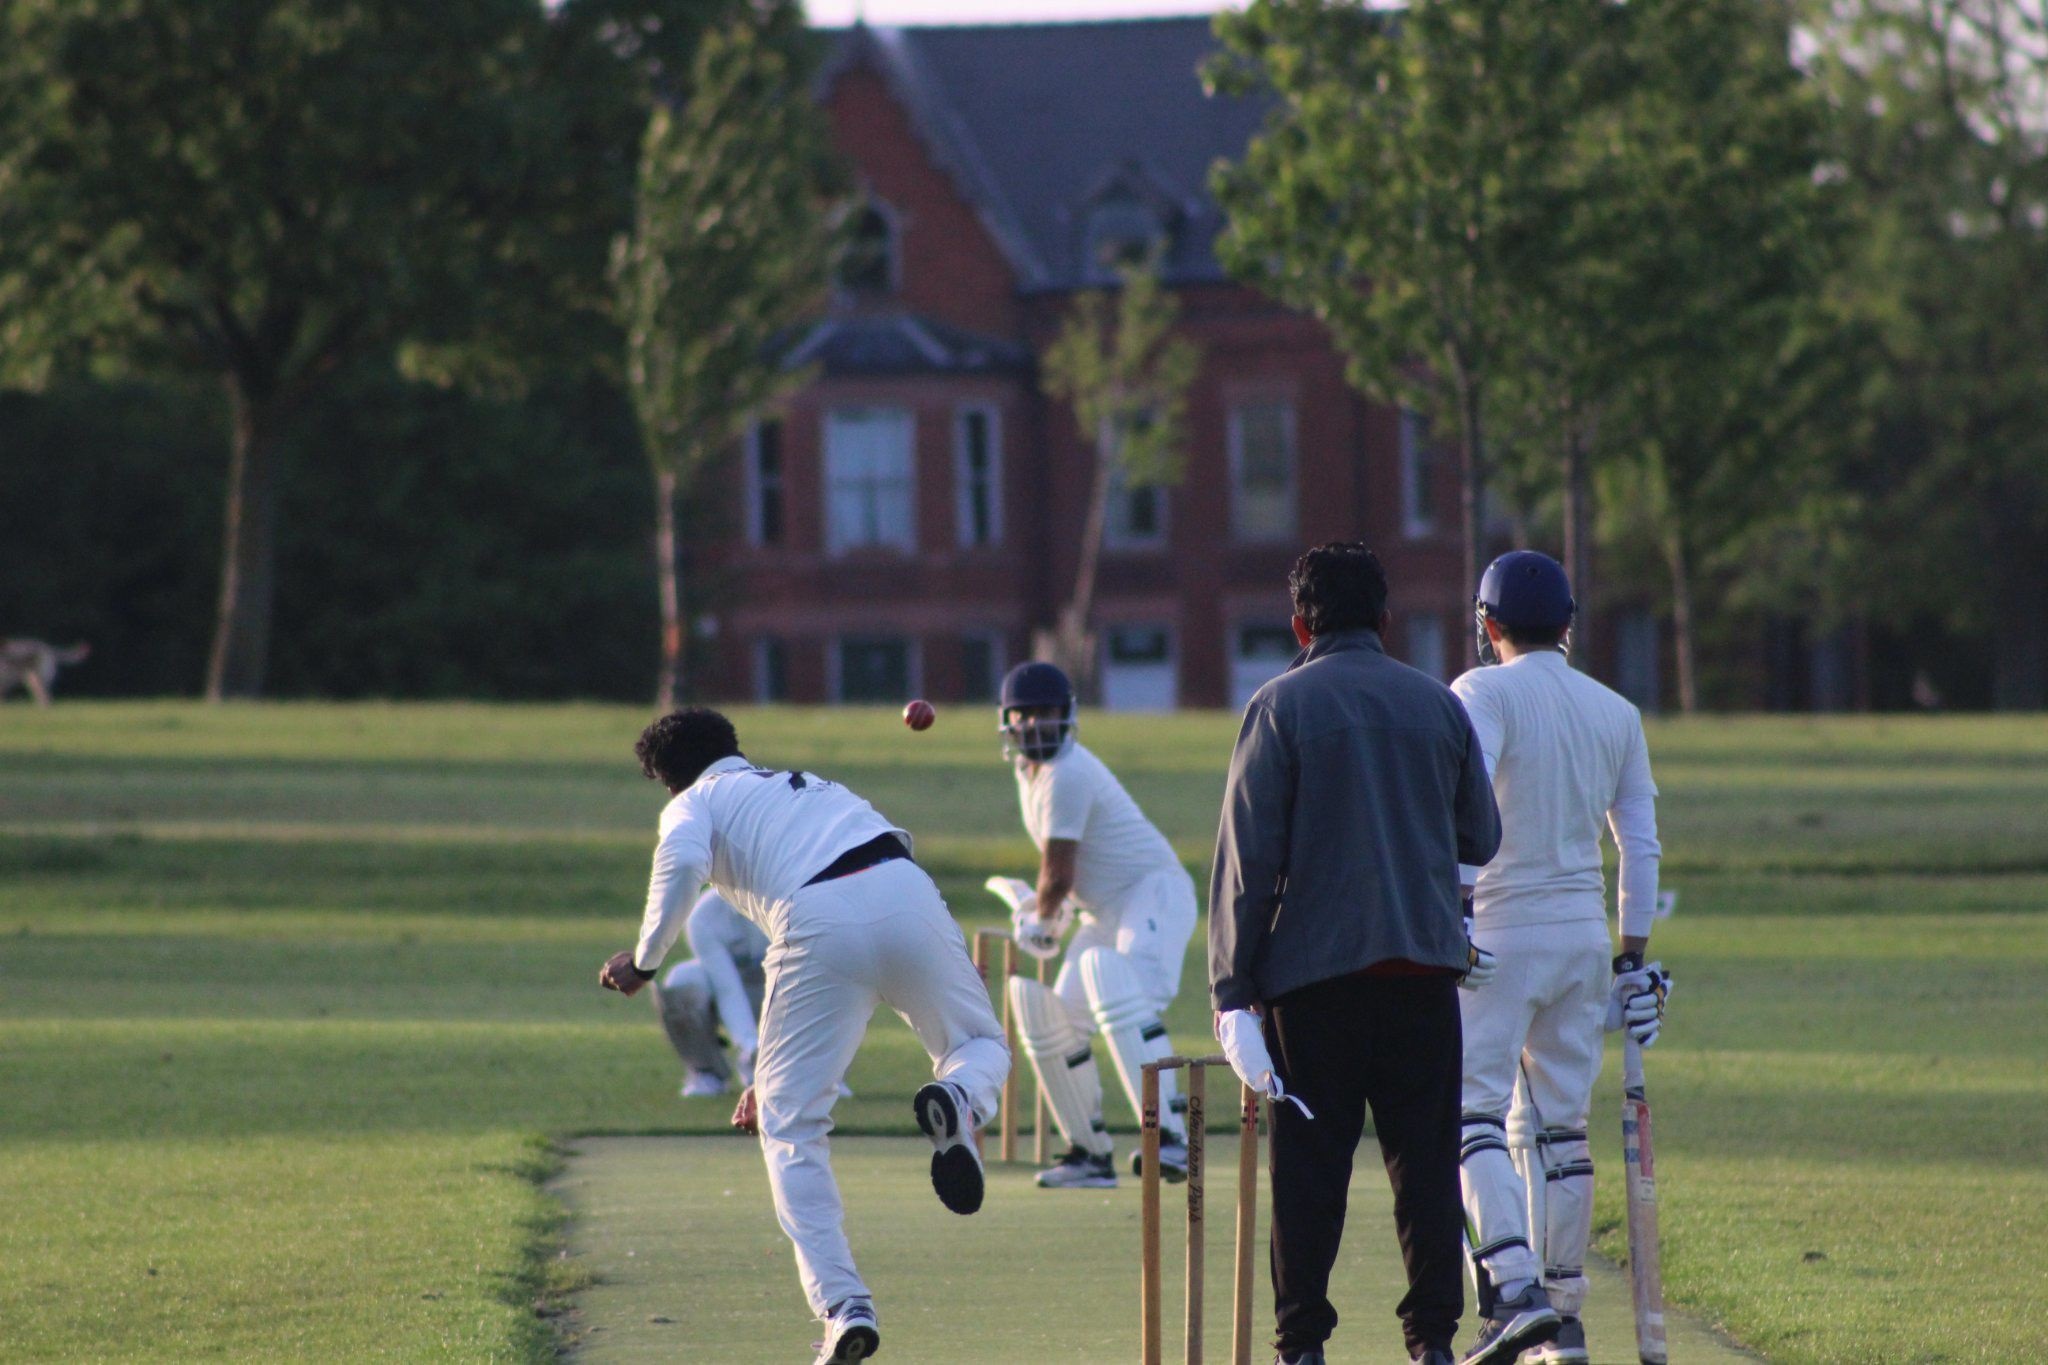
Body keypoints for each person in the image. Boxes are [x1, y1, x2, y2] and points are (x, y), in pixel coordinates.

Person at [598, 708, 1010, 1365]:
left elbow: (679, 860)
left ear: (668, 781)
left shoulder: (692, 803)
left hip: (818, 912)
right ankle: (959, 1099)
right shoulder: (808, 784)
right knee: (982, 1045)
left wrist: (645, 961)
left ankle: (844, 1306)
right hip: (907, 886)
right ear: (732, 748)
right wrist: (766, 1074)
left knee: (791, 1127)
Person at [1210, 541, 1502, 1365]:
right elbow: (1482, 832)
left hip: (1313, 982)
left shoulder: (1279, 705)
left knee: (1308, 1176)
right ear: (1383, 618)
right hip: (1422, 973)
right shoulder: (1438, 705)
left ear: (1300, 623)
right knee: (1427, 1170)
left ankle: (1302, 1344)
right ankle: (1433, 1340)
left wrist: (1232, 989)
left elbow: (1247, 862)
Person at [1450, 551, 1669, 1365]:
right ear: (1568, 625)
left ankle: (1513, 1287)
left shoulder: (1480, 691)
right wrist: (1632, 956)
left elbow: (1463, 791)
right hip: (1581, 935)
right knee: (1559, 1131)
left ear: (1489, 624)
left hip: (1500, 929)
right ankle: (1565, 1315)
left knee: (1470, 1114)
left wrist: (1460, 904)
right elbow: (1638, 845)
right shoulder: (1616, 710)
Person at [996, 660, 1200, 1190]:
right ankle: (1089, 1155)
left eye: (1047, 715)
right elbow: (1063, 873)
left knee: (1122, 989)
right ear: (1008, 722)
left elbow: (1057, 871)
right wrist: (1049, 913)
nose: (1036, 726)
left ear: (1067, 718)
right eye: (1025, 716)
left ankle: (1175, 1141)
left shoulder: (1068, 772)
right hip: (1101, 911)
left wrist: (1041, 920)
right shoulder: (1028, 774)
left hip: (1151, 893)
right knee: (1054, 1017)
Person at [652, 890, 768, 1097]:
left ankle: (821, 1077)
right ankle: (707, 1073)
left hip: (784, 991)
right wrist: (749, 1045)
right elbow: (727, 987)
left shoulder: (795, 900)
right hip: (740, 991)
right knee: (681, 979)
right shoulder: (704, 916)